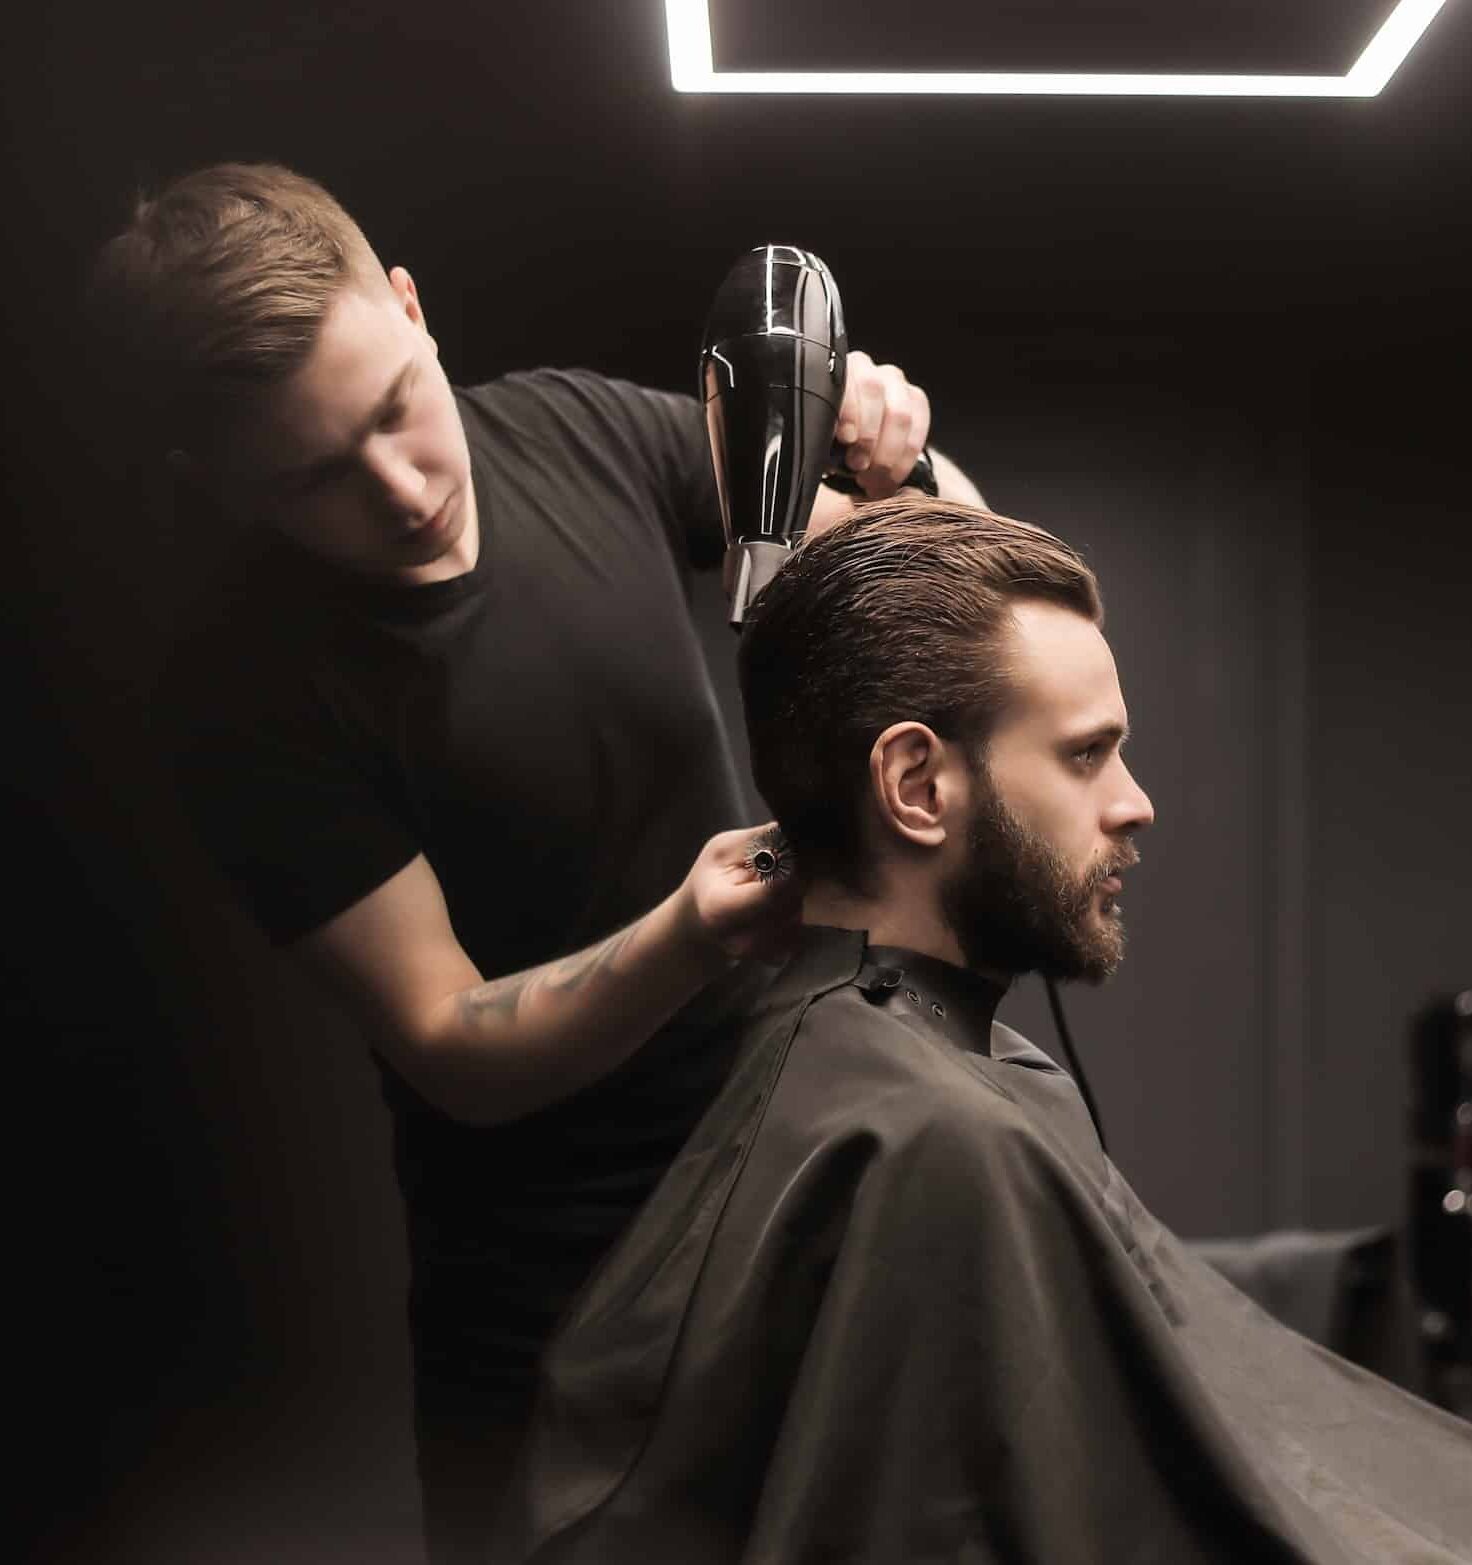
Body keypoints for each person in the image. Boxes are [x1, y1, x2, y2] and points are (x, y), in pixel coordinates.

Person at [88, 162, 986, 1564]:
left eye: (395, 409)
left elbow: (951, 591)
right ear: (218, 482)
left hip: (794, 1207)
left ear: (410, 308)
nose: (396, 486)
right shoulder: (240, 694)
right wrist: (690, 931)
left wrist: (900, 465)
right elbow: (451, 1040)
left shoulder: (571, 429)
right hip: (554, 1307)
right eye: (315, 476)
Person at [501, 500, 1472, 1563]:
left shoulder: (924, 1082)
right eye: (1087, 753)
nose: (1134, 803)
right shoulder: (931, 1134)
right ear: (916, 784)